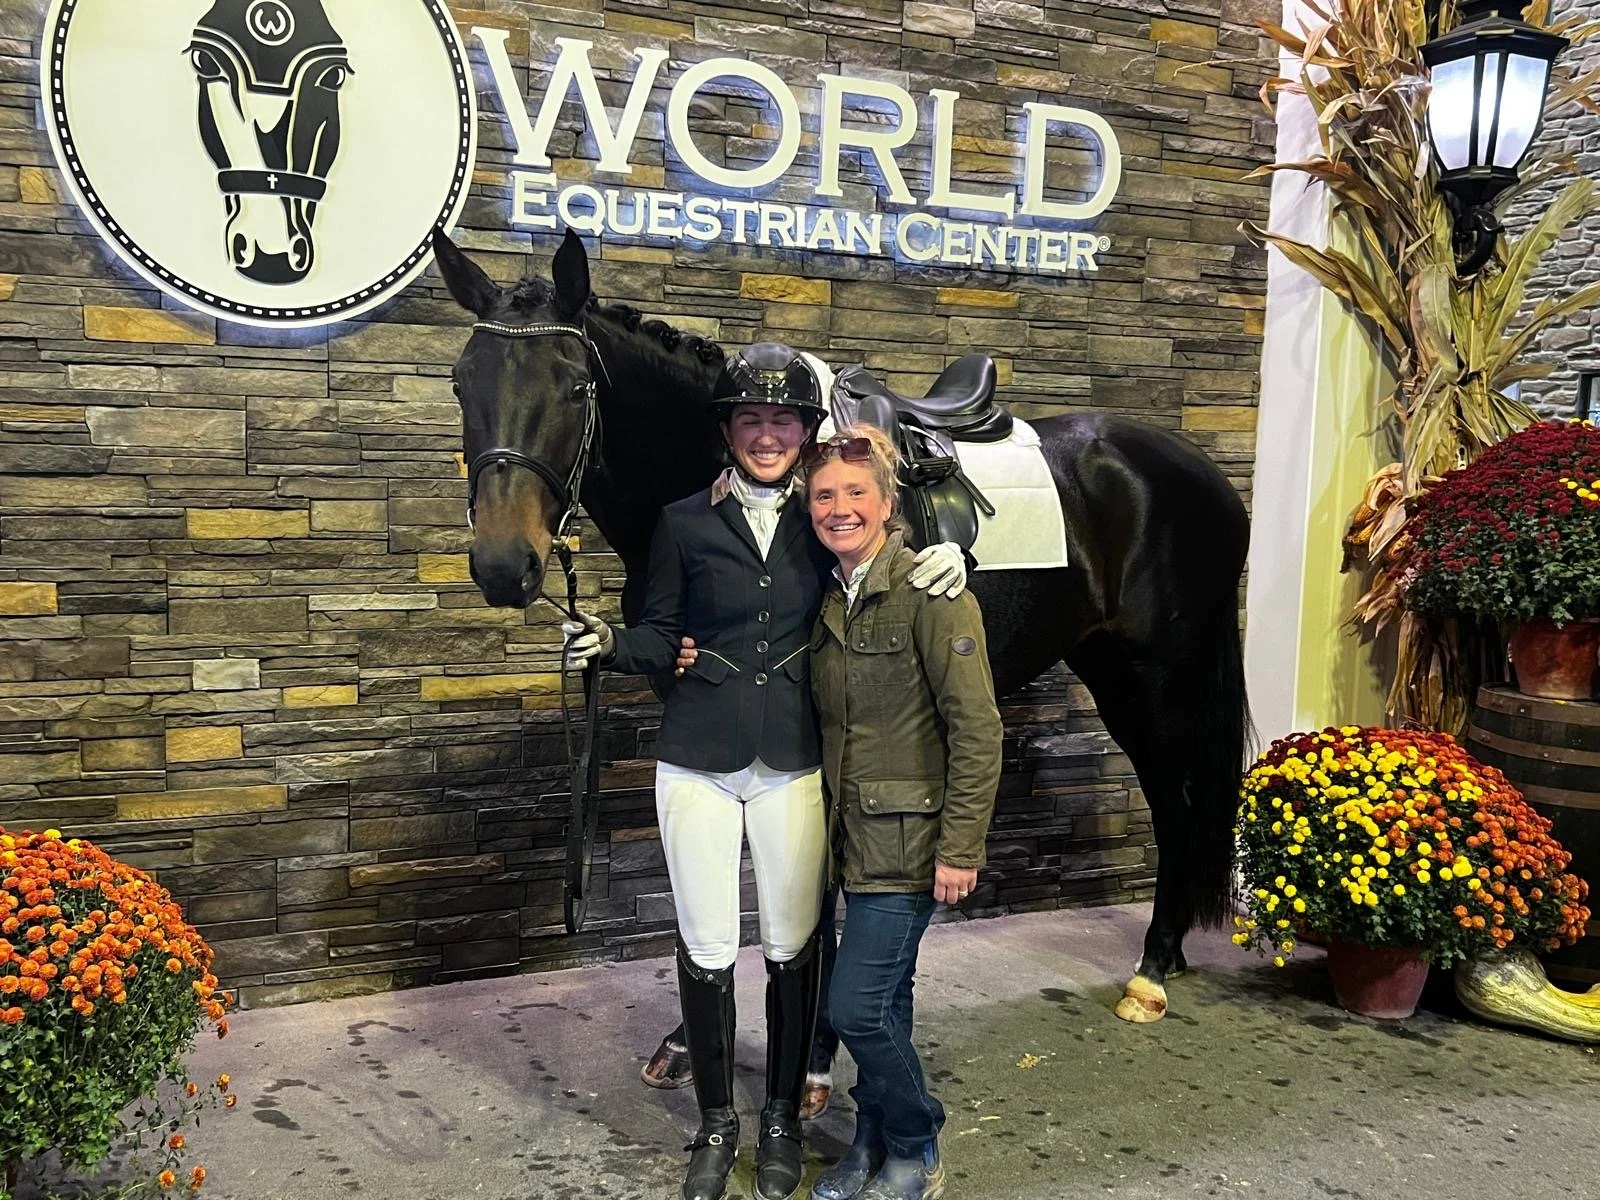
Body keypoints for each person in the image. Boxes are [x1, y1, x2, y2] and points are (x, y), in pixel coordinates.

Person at [562, 345, 969, 1200]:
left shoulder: (828, 517)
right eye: (751, 419)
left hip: (793, 758)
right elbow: (660, 631)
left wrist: (951, 557)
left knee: (791, 947)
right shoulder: (681, 523)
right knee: (708, 946)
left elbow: (887, 560)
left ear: (806, 433)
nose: (768, 434)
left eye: (784, 420)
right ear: (728, 430)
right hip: (698, 756)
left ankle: (781, 1115)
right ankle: (717, 1123)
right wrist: (610, 640)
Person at [804, 425, 1003, 1200]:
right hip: (849, 843)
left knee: (855, 1007)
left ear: (888, 505)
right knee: (890, 1001)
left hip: (911, 846)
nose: (840, 507)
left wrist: (961, 847)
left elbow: (977, 729)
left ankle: (918, 1141)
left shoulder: (931, 592)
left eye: (856, 493)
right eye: (824, 496)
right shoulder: (830, 598)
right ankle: (869, 1144)